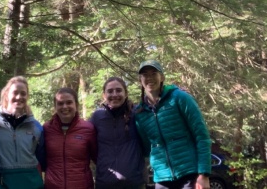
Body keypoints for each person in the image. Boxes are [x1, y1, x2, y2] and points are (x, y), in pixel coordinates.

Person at [133, 60, 212, 189]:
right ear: (140, 80)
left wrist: (203, 174)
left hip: (189, 174)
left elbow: (202, 136)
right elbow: (147, 146)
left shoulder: (180, 98)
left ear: (162, 77)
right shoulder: (140, 113)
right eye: (145, 75)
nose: (149, 78)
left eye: (154, 73)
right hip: (162, 178)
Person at [0, 76, 45, 189]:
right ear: (6, 95)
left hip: (31, 184)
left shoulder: (36, 126)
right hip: (1, 184)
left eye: (23, 93)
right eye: (15, 92)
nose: (19, 97)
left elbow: (41, 159)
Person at [90, 77, 146, 189]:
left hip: (134, 184)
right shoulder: (97, 117)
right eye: (110, 91)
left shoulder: (137, 113)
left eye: (119, 90)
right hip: (105, 184)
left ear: (126, 93)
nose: (114, 94)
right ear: (104, 95)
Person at [43, 88, 97, 189]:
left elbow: (98, 158)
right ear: (55, 106)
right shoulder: (46, 128)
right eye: (60, 103)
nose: (64, 106)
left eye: (69, 102)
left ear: (76, 105)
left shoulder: (88, 128)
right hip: (52, 186)